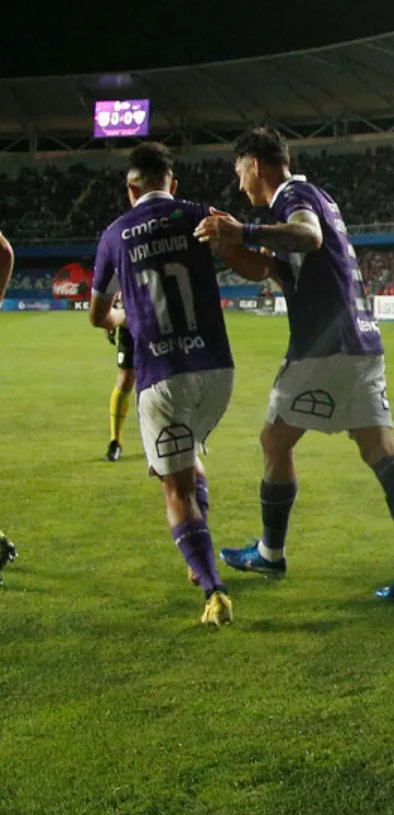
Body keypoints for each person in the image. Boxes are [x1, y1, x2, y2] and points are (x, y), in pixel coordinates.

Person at [195, 128, 394, 599]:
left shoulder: (297, 196)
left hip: (325, 347)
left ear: (256, 165)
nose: (239, 181)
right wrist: (228, 244)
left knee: (274, 439)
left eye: (239, 170)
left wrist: (242, 230)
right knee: (378, 449)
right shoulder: (309, 200)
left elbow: (308, 237)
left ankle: (270, 553)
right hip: (361, 342)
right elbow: (271, 269)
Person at [90, 144, 239, 625]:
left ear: (130, 187)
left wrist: (122, 315)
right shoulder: (200, 215)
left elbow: (99, 315)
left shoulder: (114, 236)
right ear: (171, 183)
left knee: (174, 487)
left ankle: (213, 590)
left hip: (162, 374)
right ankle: (203, 554)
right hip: (218, 371)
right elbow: (243, 254)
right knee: (189, 456)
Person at [105, 295, 135, 461]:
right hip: (129, 319)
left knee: (168, 378)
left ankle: (186, 437)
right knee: (126, 378)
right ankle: (115, 441)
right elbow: (110, 283)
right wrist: (109, 313)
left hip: (159, 317)